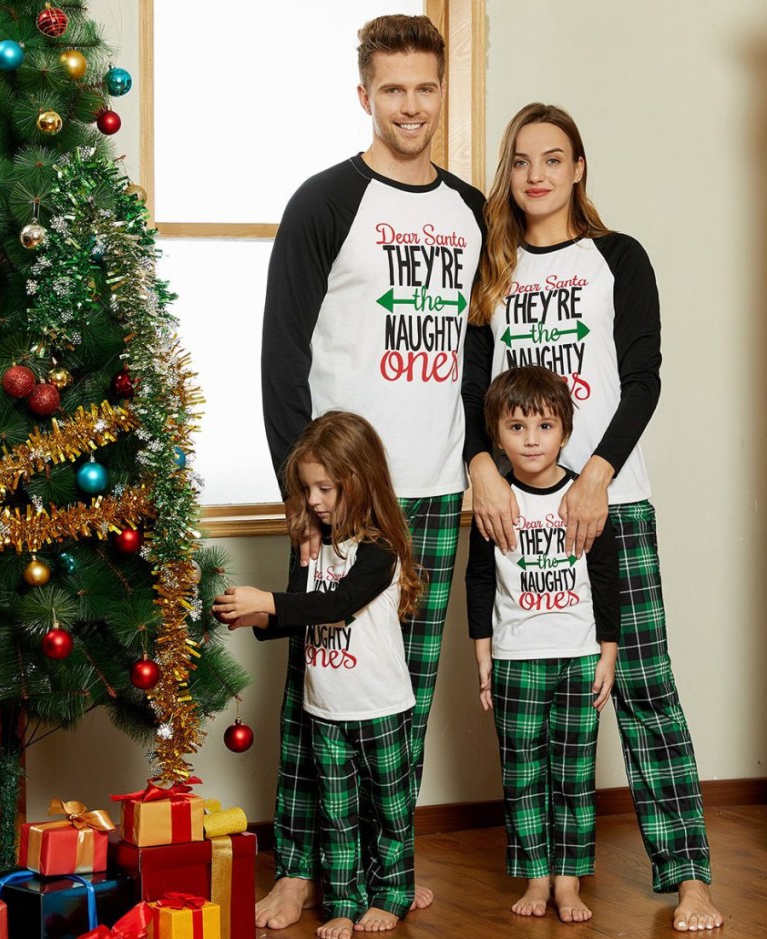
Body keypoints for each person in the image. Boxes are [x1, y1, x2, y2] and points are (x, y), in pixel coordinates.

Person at [461, 103, 725, 932]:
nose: (535, 174)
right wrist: (481, 467)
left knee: (646, 690)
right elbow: (472, 390)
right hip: (516, 508)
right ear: (507, 175)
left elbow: (642, 377)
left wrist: (597, 475)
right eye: (519, 161)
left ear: (579, 168)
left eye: (553, 158)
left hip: (610, 499)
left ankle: (689, 875)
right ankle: (542, 872)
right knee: (528, 695)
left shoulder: (619, 258)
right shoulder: (491, 269)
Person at [258, 13, 485, 930]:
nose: (411, 106)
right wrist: (301, 494)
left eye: (425, 88)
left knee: (400, 696)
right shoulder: (324, 201)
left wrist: (480, 460)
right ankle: (302, 867)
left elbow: (479, 351)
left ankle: (387, 868)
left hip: (431, 486)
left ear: (442, 92)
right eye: (392, 89)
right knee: (321, 685)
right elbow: (282, 352)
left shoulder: (472, 209)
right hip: (343, 493)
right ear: (365, 95)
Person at [214, 411, 422, 939]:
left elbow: (340, 604)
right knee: (336, 816)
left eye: (325, 487)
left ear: (361, 478)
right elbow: (303, 611)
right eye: (307, 489)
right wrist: (253, 614)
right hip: (325, 707)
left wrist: (268, 599)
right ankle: (343, 902)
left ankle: (393, 894)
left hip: (379, 706)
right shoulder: (314, 546)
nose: (314, 501)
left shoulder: (379, 550)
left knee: (390, 811)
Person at [466, 365, 619, 923]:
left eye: (545, 426)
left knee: (575, 775)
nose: (531, 439)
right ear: (497, 434)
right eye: (516, 426)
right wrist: (482, 656)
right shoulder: (494, 500)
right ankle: (535, 877)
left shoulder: (582, 497)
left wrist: (609, 650)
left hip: (579, 655)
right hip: (514, 659)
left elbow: (606, 577)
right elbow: (479, 581)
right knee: (523, 774)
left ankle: (568, 879)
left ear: (565, 431)